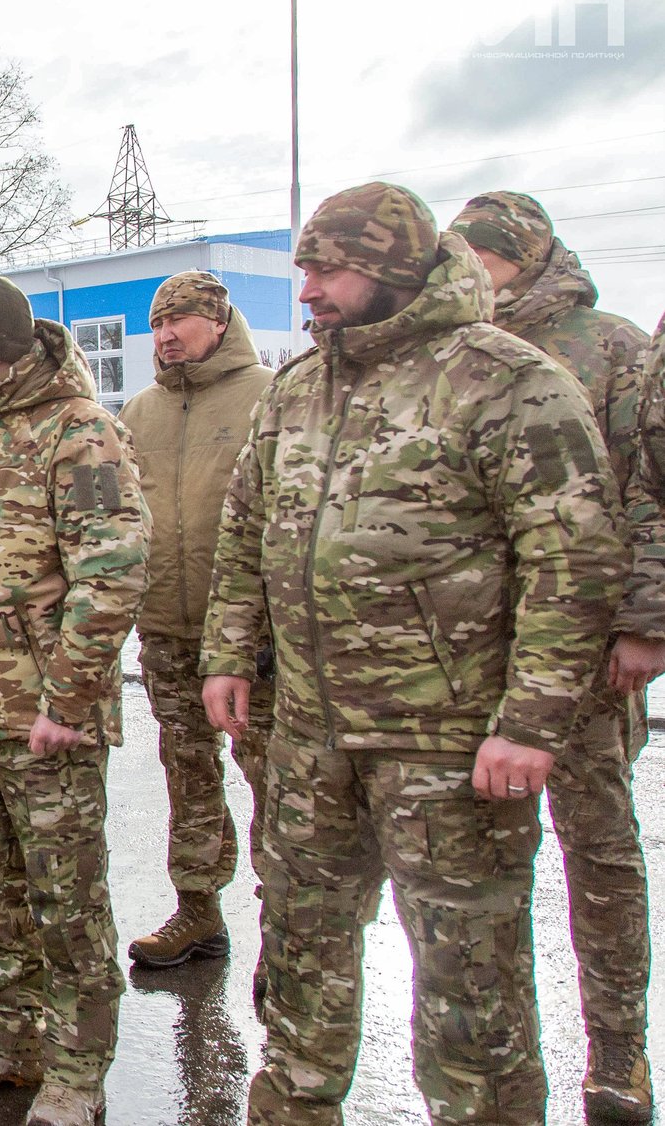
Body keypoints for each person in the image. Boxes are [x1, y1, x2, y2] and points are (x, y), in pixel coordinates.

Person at [201, 182, 625, 1125]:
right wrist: (230, 653)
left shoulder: (504, 377)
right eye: (304, 268)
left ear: (391, 267)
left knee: (469, 986)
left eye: (325, 270)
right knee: (304, 954)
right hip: (310, 738)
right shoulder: (301, 389)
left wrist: (530, 723)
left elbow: (575, 555)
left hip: (448, 745)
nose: (305, 290)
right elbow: (244, 533)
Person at [0, 275, 147, 1126]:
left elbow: (111, 574)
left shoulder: (78, 432)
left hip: (46, 721)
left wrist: (70, 702)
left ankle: (78, 1067)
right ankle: (8, 1037)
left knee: (66, 899)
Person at [452, 190, 660, 1123]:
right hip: (472, 654)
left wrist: (642, 619)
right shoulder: (453, 357)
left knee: (600, 852)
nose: (474, 271)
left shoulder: (607, 346)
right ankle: (497, 1053)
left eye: (487, 257)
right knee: (482, 861)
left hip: (579, 648)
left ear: (524, 258)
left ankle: (619, 1049)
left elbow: (650, 486)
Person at [117, 271, 276, 971]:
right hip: (167, 626)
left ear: (218, 321)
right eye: (157, 323)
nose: (166, 335)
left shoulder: (267, 399)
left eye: (179, 319)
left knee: (275, 775)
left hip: (254, 636)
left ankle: (290, 922)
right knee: (187, 766)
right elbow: (109, 512)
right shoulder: (138, 412)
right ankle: (199, 910)